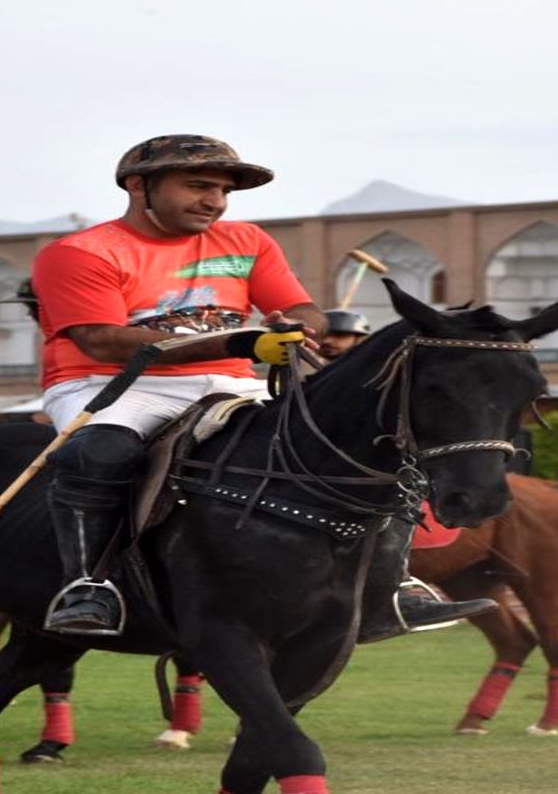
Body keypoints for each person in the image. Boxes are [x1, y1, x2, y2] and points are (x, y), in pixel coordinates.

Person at [32, 133, 493, 636]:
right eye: (198, 185)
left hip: (227, 382)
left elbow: (303, 310)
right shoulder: (80, 251)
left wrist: (296, 327)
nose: (215, 201)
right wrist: (241, 345)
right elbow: (102, 340)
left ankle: (393, 585)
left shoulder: (247, 241)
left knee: (362, 443)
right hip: (112, 383)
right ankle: (88, 586)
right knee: (99, 453)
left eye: (224, 190)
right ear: (139, 185)